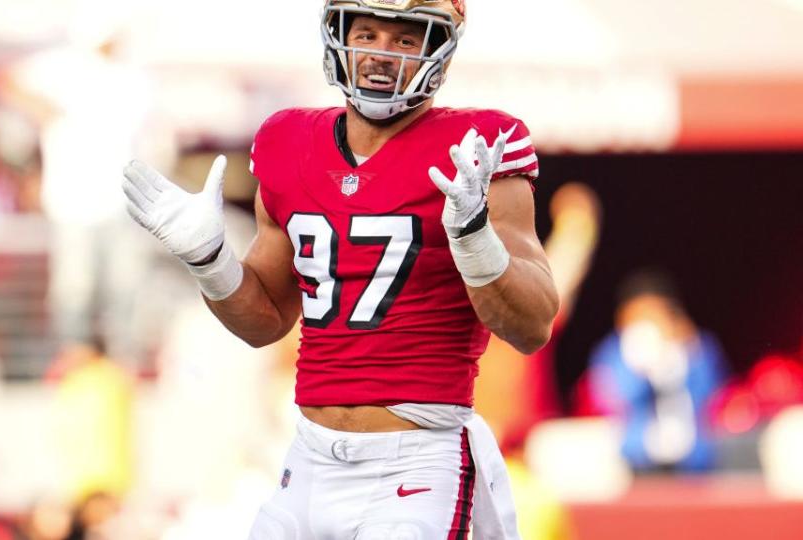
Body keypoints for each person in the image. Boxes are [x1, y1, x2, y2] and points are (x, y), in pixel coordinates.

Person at [122, 1, 558, 538]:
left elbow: (532, 325)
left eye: (403, 40)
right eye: (368, 33)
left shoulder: (478, 145)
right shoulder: (288, 140)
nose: (380, 54)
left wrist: (474, 237)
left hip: (418, 461)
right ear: (338, 33)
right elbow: (264, 321)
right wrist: (209, 260)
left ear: (438, 48)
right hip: (307, 460)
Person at [585, 270, 726, 473]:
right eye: (638, 314)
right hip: (635, 458)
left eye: (653, 313)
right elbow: (611, 402)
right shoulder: (612, 352)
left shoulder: (697, 346)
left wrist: (684, 355)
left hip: (695, 460)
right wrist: (638, 364)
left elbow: (713, 398)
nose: (646, 321)